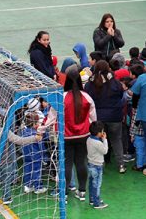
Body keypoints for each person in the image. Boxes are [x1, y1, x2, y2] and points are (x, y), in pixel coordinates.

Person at [84, 60, 128, 174]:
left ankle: (100, 165)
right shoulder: (115, 83)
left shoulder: (90, 84)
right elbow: (121, 95)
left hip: (99, 118)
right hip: (115, 117)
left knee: (99, 140)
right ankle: (121, 165)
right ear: (108, 68)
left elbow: (87, 99)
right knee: (116, 140)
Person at [63, 66, 96, 200]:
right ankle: (82, 191)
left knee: (67, 163)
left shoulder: (62, 97)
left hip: (66, 136)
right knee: (81, 162)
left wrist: (41, 129)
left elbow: (53, 117)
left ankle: (64, 193)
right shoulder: (87, 97)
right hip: (84, 135)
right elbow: (94, 118)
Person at [85, 122, 109, 209]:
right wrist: (105, 140)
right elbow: (105, 151)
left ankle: (92, 199)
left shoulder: (89, 139)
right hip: (97, 166)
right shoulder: (97, 143)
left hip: (90, 164)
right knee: (97, 184)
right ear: (99, 133)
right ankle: (97, 202)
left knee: (91, 183)